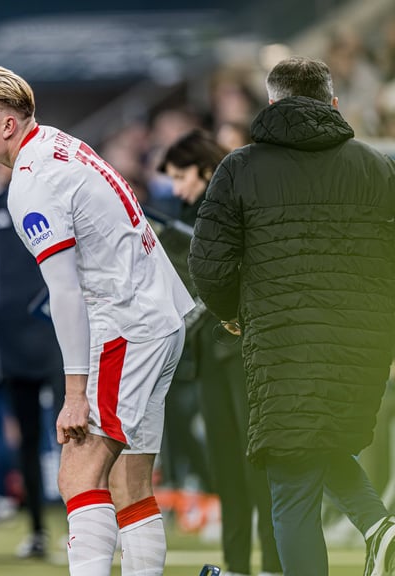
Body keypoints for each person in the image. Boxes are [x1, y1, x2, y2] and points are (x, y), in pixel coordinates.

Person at [0, 64, 195, 576]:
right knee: (130, 482)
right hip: (162, 315)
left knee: (78, 472)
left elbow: (64, 293)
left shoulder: (32, 184)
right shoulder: (60, 145)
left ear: (7, 125)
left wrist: (74, 393)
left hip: (127, 325)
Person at [188, 55, 395, 576]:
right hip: (363, 342)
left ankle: (375, 528)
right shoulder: (377, 166)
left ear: (272, 102)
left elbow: (206, 263)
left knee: (292, 477)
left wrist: (233, 310)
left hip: (282, 342)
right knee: (317, 442)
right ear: (334, 103)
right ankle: (378, 526)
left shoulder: (240, 167)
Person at [159, 129, 281, 576]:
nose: (177, 188)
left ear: (207, 169)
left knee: (257, 466)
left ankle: (271, 563)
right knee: (227, 467)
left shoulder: (237, 203)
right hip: (211, 355)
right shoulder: (188, 217)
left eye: (181, 176)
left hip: (245, 354)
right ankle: (236, 565)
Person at [0, 163, 64, 558]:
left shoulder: (56, 200)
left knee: (72, 435)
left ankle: (86, 526)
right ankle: (38, 530)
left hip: (60, 335)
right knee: (24, 437)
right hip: (9, 338)